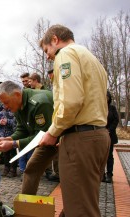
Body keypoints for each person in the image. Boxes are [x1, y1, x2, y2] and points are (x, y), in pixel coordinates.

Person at [38, 24, 110, 217]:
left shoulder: (66, 54)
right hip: (98, 136)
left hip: (81, 139)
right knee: (80, 202)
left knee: (80, 210)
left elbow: (71, 101)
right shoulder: (91, 58)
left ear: (54, 39)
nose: (47, 56)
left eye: (47, 50)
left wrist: (53, 132)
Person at [0, 81, 57, 195]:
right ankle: (25, 205)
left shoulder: (39, 103)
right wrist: (9, 139)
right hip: (46, 140)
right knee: (30, 170)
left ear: (17, 94)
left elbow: (41, 136)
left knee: (69, 176)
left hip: (63, 139)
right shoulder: (17, 106)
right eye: (3, 104)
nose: (5, 107)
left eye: (6, 102)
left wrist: (13, 144)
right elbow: (22, 129)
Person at [0, 107, 17, 177]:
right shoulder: (1, 112)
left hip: (11, 136)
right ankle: (6, 168)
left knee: (12, 154)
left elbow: (15, 123)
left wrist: (7, 121)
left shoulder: (14, 112)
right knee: (5, 154)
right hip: (3, 136)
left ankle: (13, 169)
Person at [102, 91, 119, 183]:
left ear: (109, 98)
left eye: (106, 97)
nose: (105, 98)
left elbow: (116, 120)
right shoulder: (99, 108)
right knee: (100, 156)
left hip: (110, 135)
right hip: (100, 135)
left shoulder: (112, 108)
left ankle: (109, 174)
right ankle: (102, 174)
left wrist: (108, 130)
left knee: (109, 156)